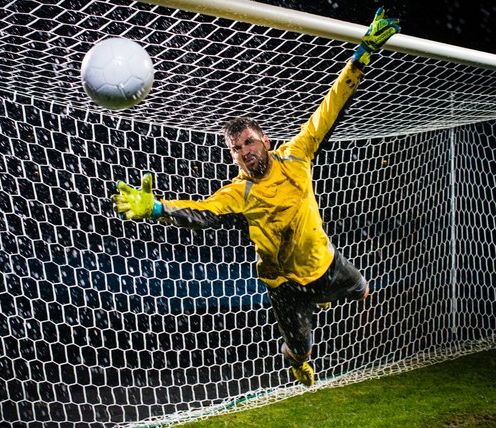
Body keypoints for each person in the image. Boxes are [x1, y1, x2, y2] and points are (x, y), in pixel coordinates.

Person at [112, 8, 401, 387]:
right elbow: (202, 212)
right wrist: (156, 208)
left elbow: (328, 110)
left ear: (265, 140)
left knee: (363, 290)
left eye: (249, 141)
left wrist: (362, 54)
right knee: (300, 349)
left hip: (325, 265)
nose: (245, 151)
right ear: (232, 156)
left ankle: (330, 301)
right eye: (236, 148)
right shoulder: (239, 192)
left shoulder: (296, 156)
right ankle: (298, 359)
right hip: (283, 285)